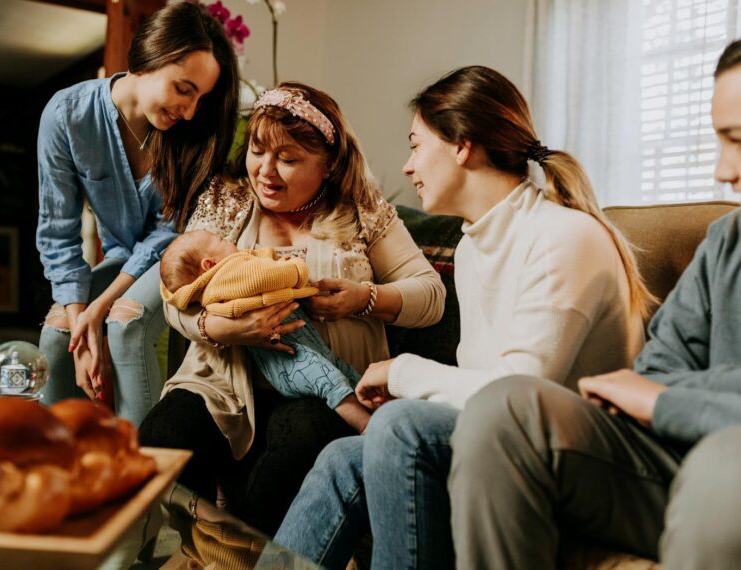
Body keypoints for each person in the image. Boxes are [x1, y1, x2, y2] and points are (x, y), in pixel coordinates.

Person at [274, 66, 652, 569]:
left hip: (586, 465)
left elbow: (518, 396)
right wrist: (415, 394)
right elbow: (481, 388)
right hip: (507, 442)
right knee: (343, 458)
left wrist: (404, 374)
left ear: (461, 146)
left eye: (416, 145)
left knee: (400, 426)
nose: (408, 166)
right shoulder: (473, 247)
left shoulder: (565, 238)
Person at [449, 40, 741, 570]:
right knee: (504, 407)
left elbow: (656, 394)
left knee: (725, 467)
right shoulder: (727, 241)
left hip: (722, 476)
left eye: (738, 140)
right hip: (675, 461)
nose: (723, 170)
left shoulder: (563, 237)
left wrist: (670, 402)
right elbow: (652, 374)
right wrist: (684, 398)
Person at [138, 82, 446, 535]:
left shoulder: (361, 210)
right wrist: (221, 327)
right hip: (223, 386)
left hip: (324, 387)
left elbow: (431, 295)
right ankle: (201, 548)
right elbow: (177, 292)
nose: (265, 171)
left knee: (301, 438)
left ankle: (248, 556)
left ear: (328, 164)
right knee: (162, 436)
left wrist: (365, 299)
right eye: (257, 151)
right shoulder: (227, 198)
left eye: (287, 159)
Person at [36, 2, 239, 426]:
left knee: (125, 324)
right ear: (150, 57)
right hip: (125, 258)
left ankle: (144, 462)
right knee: (57, 335)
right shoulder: (67, 115)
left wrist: (100, 307)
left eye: (200, 98)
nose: (190, 111)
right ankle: (61, 458)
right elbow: (58, 234)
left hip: (181, 258)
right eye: (184, 89)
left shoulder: (193, 134)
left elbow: (168, 234)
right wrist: (81, 326)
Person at [160, 229, 371, 433]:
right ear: (209, 264)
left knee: (344, 373)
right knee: (330, 381)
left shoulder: (222, 280)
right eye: (221, 240)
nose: (227, 238)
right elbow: (264, 277)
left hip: (302, 348)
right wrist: (293, 269)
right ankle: (366, 428)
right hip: (290, 360)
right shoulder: (226, 275)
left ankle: (378, 414)